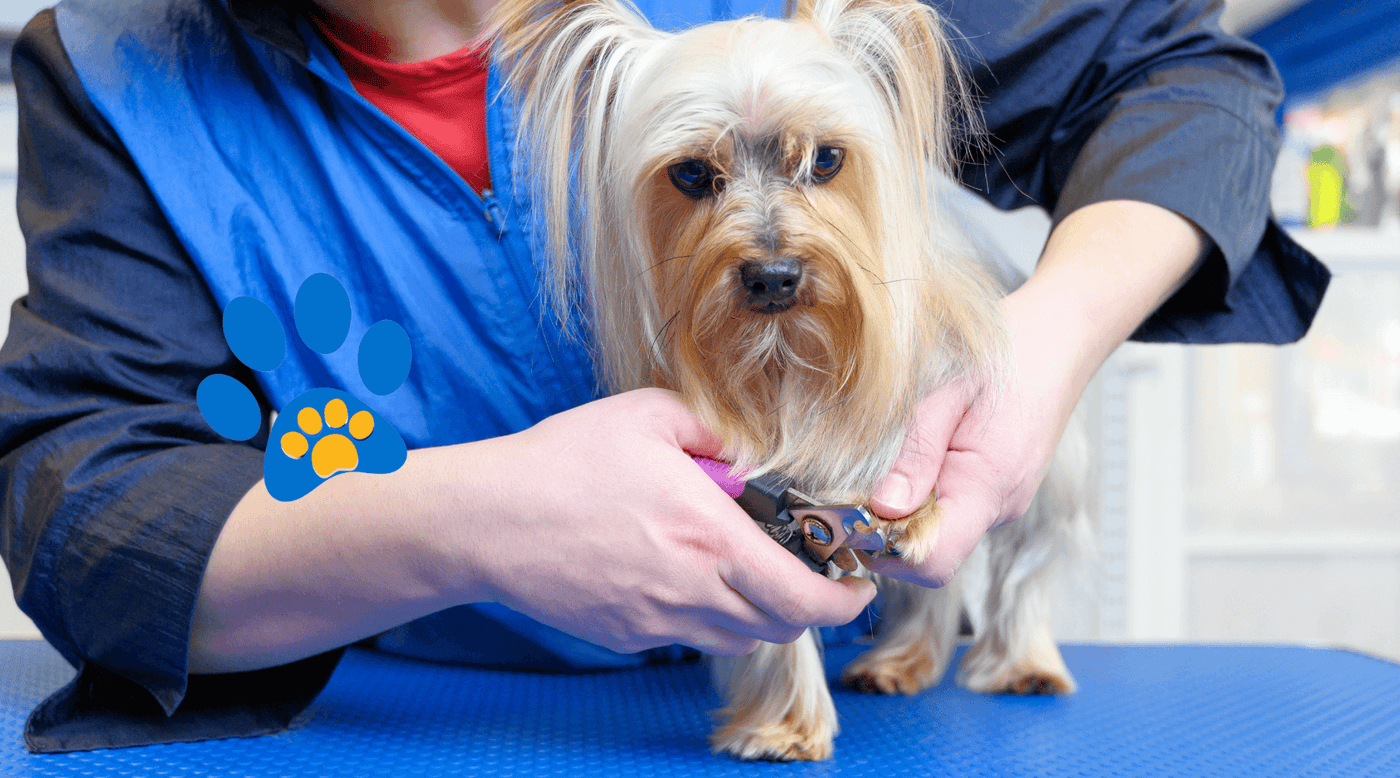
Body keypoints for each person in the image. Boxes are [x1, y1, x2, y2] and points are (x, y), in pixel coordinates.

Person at [0, 0, 1328, 753]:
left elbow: (1178, 82)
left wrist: (1030, 347)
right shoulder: (120, 75)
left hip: (866, 716)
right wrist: (470, 522)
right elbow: (85, 515)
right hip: (398, 724)